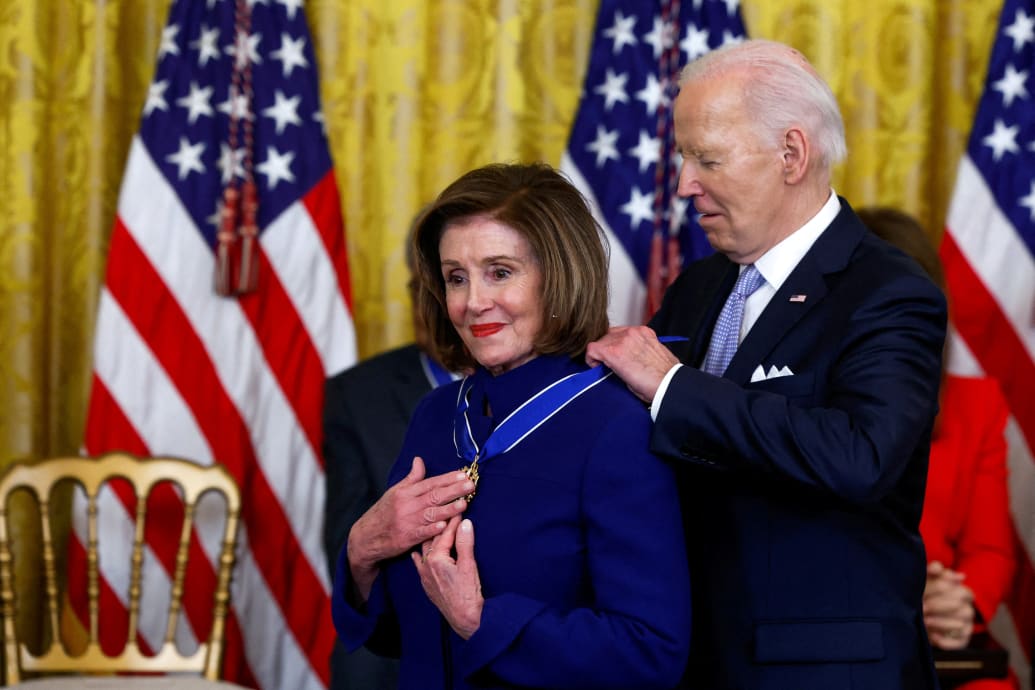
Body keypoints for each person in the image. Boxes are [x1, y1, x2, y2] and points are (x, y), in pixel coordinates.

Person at [586, 39, 947, 689]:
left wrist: (671, 386)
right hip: (689, 659)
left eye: (706, 159)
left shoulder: (887, 291)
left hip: (821, 671)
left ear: (791, 154)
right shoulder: (696, 288)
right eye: (682, 158)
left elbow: (860, 455)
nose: (683, 185)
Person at [331, 162, 691, 689]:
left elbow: (651, 654)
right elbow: (397, 635)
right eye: (456, 277)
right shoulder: (437, 415)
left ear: (560, 276)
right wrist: (362, 551)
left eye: (500, 272)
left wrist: (481, 621)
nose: (473, 302)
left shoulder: (616, 425)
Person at [858, 206, 1017, 690]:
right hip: (838, 632)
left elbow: (990, 551)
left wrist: (957, 603)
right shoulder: (784, 402)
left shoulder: (977, 404)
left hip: (941, 645)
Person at [323, 220, 459, 689]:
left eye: (448, 284)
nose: (432, 304)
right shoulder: (355, 395)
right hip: (398, 638)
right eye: (419, 287)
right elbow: (345, 549)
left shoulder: (544, 388)